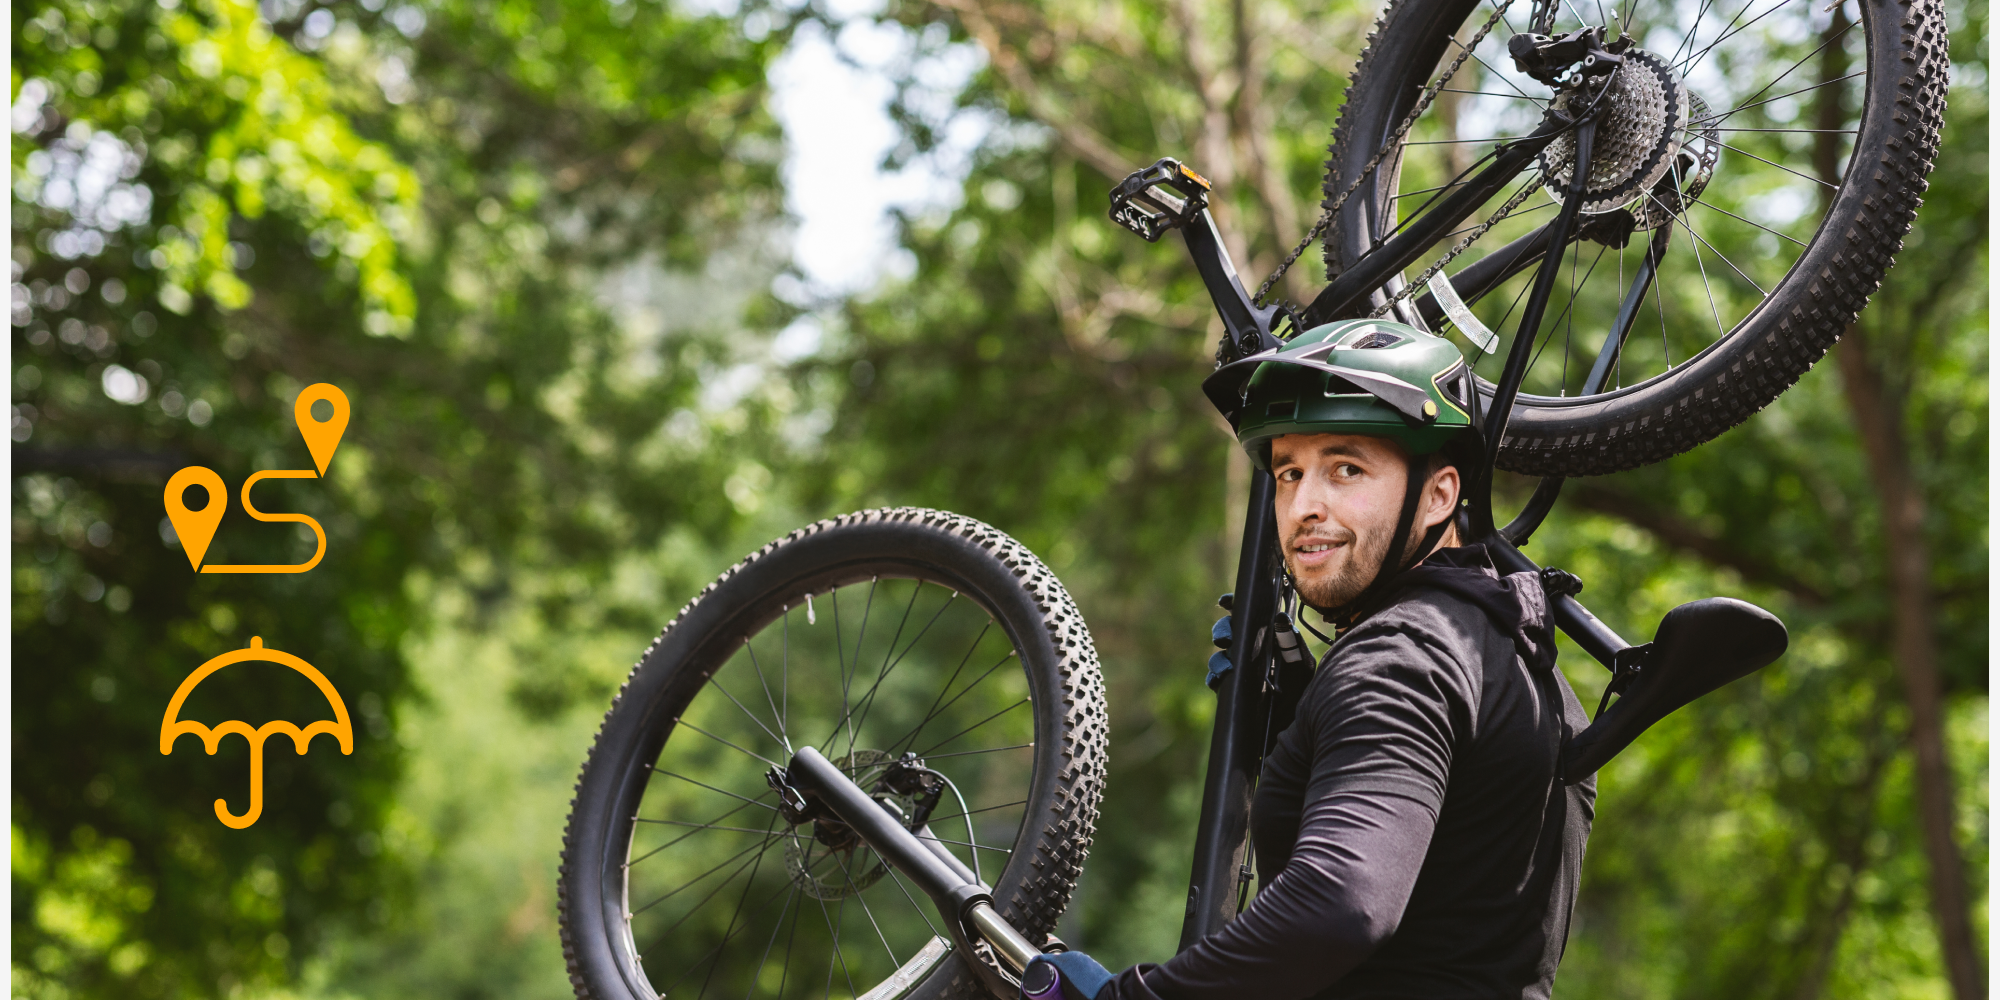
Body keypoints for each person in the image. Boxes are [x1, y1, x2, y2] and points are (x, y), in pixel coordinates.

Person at [1027, 320, 1595, 1000]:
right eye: (1289, 473)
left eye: (1346, 468)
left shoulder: (1399, 659)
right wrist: (1305, 724)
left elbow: (1344, 903)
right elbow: (1454, 905)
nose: (1304, 506)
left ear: (1441, 494)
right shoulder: (1519, 658)